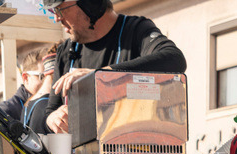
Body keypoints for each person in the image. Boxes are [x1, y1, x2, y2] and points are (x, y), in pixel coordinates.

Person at [40, 0, 186, 134]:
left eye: (60, 10)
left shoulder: (136, 31)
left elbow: (174, 59)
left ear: (89, 4)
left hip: (133, 151)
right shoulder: (66, 50)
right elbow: (50, 111)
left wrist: (101, 75)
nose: (57, 18)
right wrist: (53, 118)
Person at [0, 49, 46, 121]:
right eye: (42, 76)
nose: (49, 81)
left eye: (53, 76)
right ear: (25, 78)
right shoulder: (4, 112)